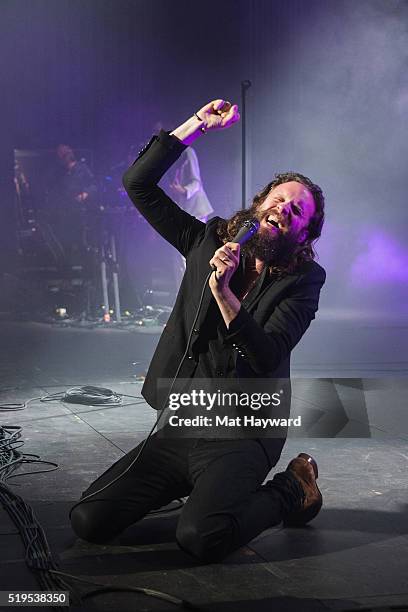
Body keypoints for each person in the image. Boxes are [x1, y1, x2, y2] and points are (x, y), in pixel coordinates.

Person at [70, 99, 326, 563]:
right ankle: (203, 494)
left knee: (202, 538)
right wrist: (193, 128)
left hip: (244, 430)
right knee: (88, 520)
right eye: (280, 199)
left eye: (298, 210)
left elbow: (266, 355)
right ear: (260, 205)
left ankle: (292, 488)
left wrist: (226, 293)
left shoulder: (303, 280)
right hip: (184, 420)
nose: (285, 208)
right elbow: (138, 184)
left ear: (304, 234)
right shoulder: (207, 238)